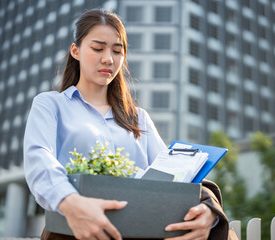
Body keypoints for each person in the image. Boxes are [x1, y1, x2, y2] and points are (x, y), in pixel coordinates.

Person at [24, 9, 236, 240]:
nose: (109, 59)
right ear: (75, 51)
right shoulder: (51, 104)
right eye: (98, 48)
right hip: (73, 232)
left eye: (117, 51)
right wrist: (69, 200)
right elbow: (39, 157)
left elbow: (172, 176)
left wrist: (208, 210)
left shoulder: (138, 118)